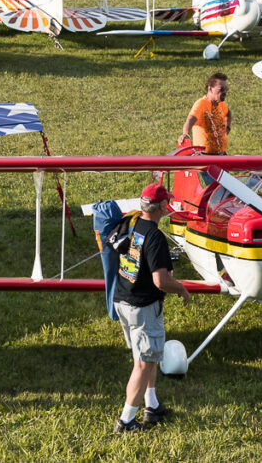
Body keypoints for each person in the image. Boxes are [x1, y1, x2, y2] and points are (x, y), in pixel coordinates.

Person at [113, 183, 190, 433]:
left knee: (149, 356)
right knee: (143, 364)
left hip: (123, 299)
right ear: (161, 208)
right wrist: (181, 288)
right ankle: (126, 421)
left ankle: (152, 406)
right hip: (144, 306)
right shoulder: (156, 237)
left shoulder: (131, 222)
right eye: (166, 202)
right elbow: (161, 281)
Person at [180, 72, 230, 154]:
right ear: (210, 89)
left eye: (226, 89)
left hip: (221, 155)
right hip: (204, 157)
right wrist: (185, 134)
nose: (225, 92)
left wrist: (228, 127)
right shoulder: (201, 104)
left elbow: (228, 114)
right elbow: (191, 119)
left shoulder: (222, 104)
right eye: (221, 89)